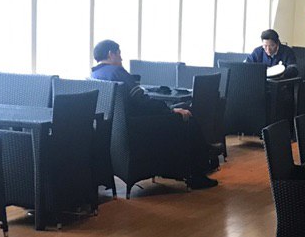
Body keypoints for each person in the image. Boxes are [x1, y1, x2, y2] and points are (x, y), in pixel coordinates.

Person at [90, 39, 217, 190]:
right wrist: (170, 111)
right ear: (111, 54)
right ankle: (198, 172)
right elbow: (141, 100)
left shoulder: (95, 74)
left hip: (121, 131)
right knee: (187, 115)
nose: (121, 58)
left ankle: (203, 154)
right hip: (141, 127)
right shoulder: (116, 71)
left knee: (181, 109)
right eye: (119, 54)